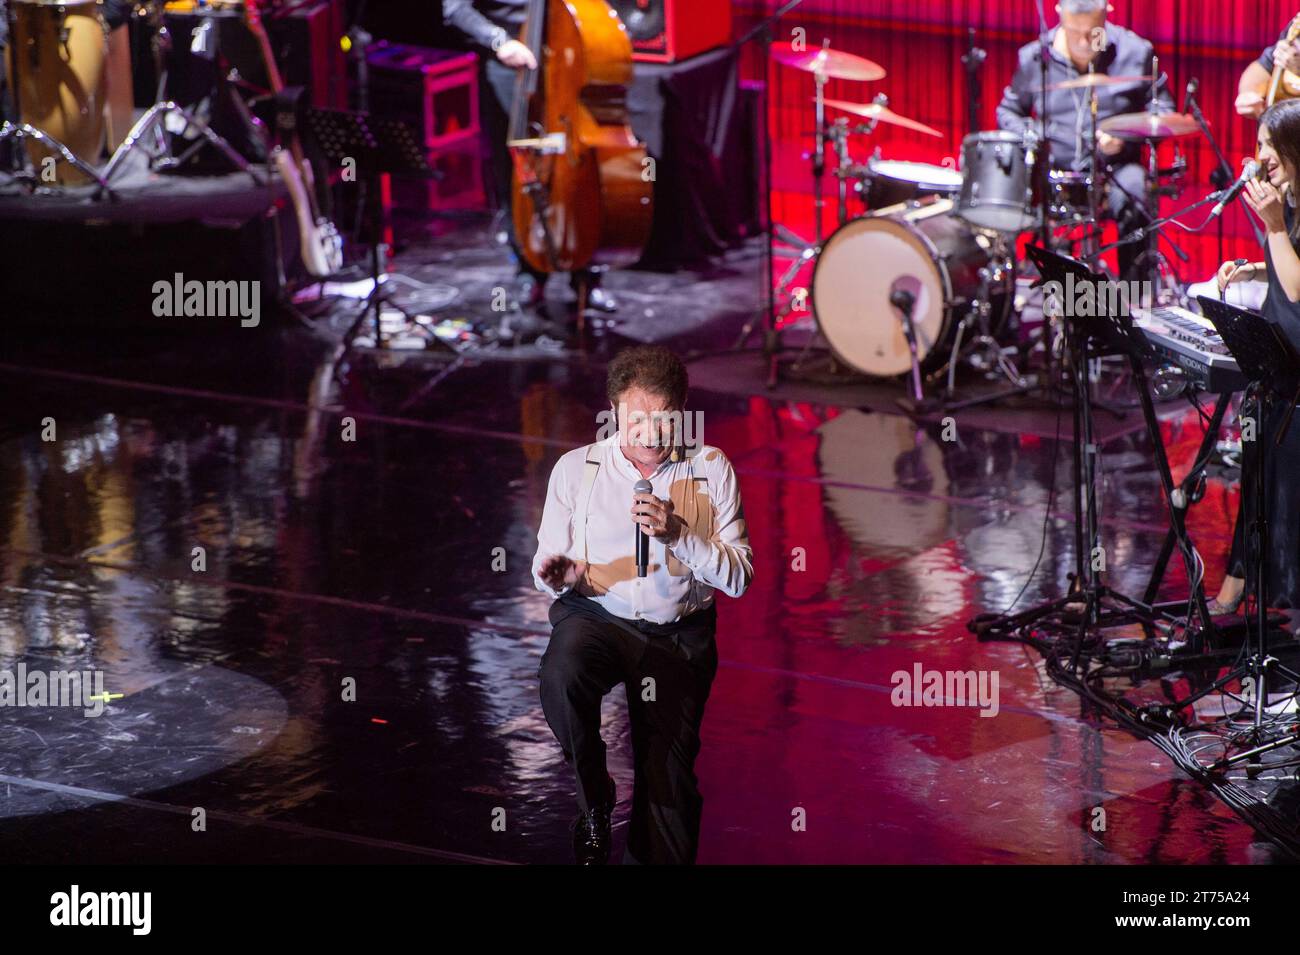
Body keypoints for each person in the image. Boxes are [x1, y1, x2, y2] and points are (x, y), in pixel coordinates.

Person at [531, 345, 753, 864]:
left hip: (677, 634)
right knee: (562, 674)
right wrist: (559, 574)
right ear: (613, 412)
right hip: (597, 616)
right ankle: (595, 799)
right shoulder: (575, 470)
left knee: (668, 790)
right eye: (636, 418)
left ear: (682, 412)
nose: (649, 433)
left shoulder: (710, 468)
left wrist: (681, 534)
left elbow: (740, 577)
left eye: (663, 419)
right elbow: (546, 564)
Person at [442, 0, 619, 314]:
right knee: (518, 168)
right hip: (512, 59)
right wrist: (499, 40)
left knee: (581, 165)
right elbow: (455, 8)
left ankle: (588, 271)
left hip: (571, 48)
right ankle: (529, 268)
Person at [996, 0, 1173, 280]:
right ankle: (1012, 297)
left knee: (1137, 192)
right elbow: (1008, 111)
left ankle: (1136, 295)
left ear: (1106, 16)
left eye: (1093, 32)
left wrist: (1126, 138)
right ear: (1060, 17)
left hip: (1114, 169)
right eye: (1073, 31)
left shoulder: (1136, 52)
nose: (1082, 41)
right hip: (1050, 170)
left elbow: (1163, 112)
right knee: (1002, 188)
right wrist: (1031, 138)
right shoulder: (1034, 57)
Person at [1209, 99, 1300, 615]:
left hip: (1299, 368)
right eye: (1259, 142)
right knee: (1258, 476)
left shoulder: (1285, 214)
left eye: (1269, 143)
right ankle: (1239, 580)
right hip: (1277, 355)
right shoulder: (1288, 201)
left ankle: (1285, 598)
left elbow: (1298, 283)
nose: (1260, 154)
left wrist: (1274, 228)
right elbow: (1284, 269)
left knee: (1288, 490)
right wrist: (1251, 271)